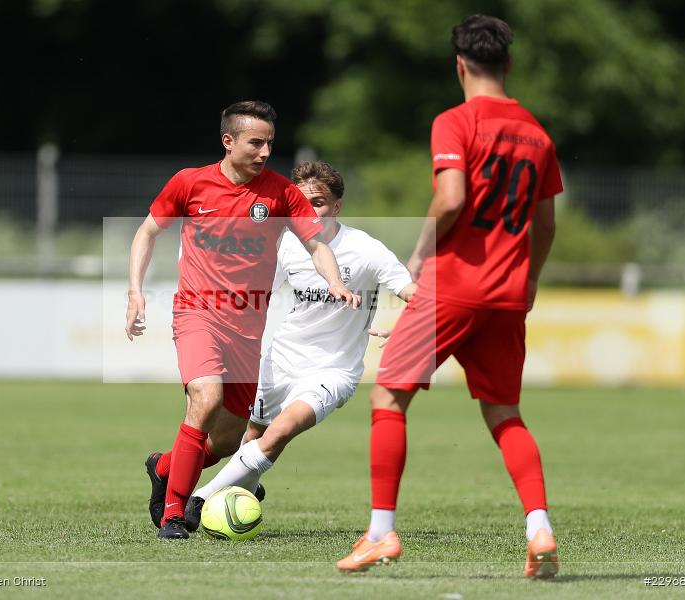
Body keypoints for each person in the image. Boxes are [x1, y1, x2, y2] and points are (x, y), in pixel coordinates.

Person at [335, 15, 563, 578]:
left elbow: (451, 197)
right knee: (506, 414)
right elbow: (546, 223)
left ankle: (381, 533)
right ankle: (539, 527)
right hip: (507, 294)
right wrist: (529, 280)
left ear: (459, 64)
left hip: (453, 286)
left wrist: (417, 255)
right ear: (508, 64)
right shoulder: (538, 134)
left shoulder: (454, 122)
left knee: (388, 397)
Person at [126, 101, 360, 540]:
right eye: (256, 142)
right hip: (197, 314)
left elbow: (317, 244)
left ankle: (163, 467)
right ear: (228, 141)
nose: (266, 151)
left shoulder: (281, 193)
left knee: (229, 440)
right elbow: (147, 231)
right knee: (206, 397)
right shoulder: (189, 183)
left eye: (270, 142)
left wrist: (335, 282)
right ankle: (174, 513)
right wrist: (136, 291)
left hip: (247, 329)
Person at [182, 160, 416, 530]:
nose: (310, 210)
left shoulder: (366, 250)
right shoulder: (286, 245)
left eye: (319, 202)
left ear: (337, 206)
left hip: (333, 370)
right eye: (303, 202)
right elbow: (250, 292)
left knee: (280, 432)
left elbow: (415, 295)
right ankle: (246, 487)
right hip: (280, 360)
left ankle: (199, 500)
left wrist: (406, 327)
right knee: (253, 437)